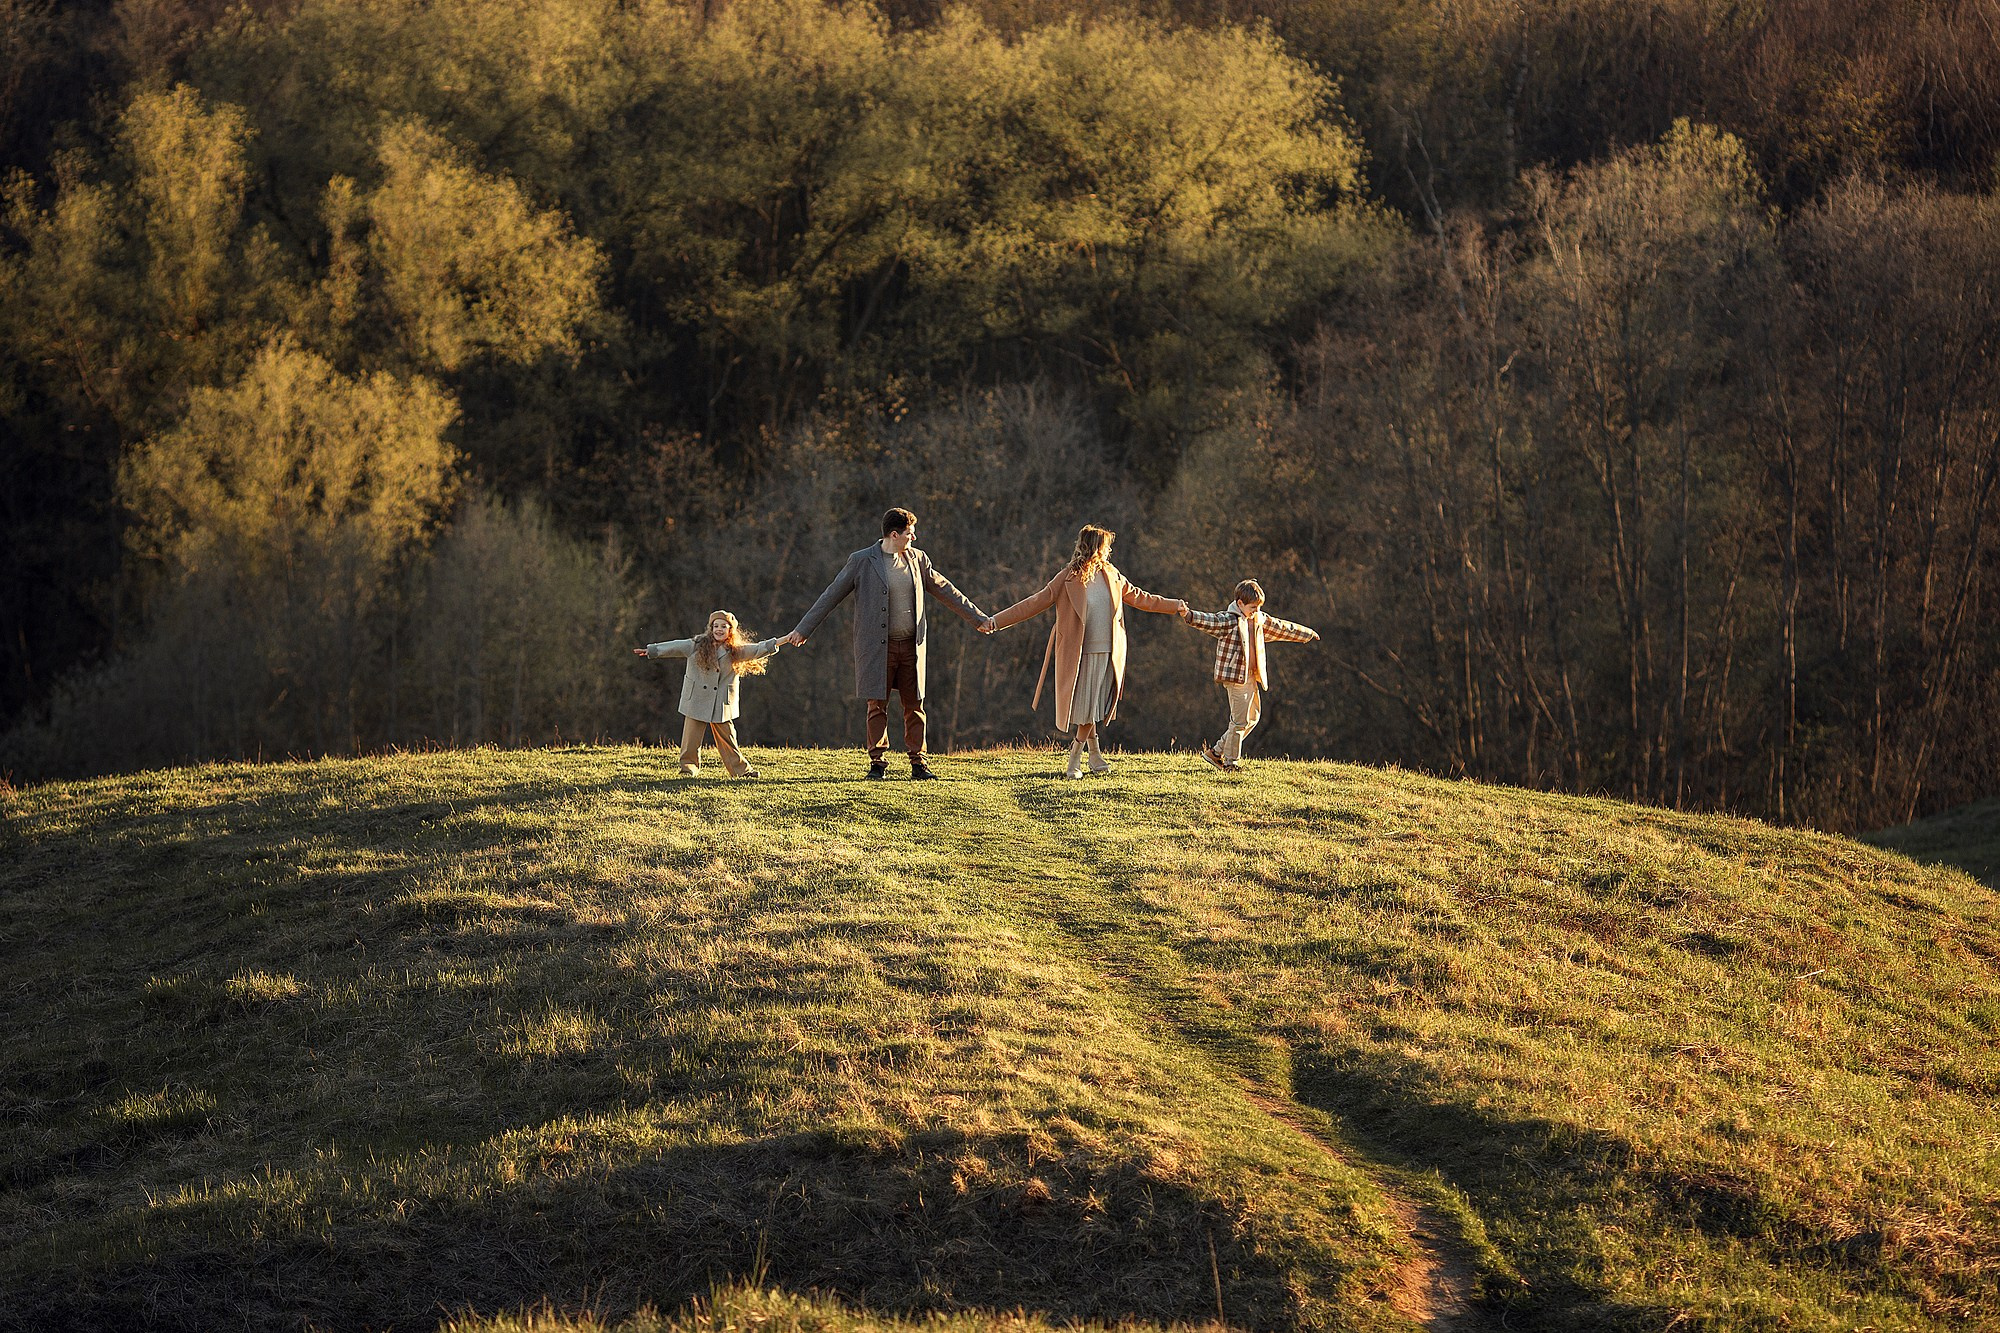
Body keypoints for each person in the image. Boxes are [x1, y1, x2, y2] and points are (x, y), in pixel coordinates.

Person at [782, 507, 988, 780]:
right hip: (878, 648)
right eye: (909, 534)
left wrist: (978, 618)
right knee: (877, 705)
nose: (913, 538)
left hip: (912, 647)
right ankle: (877, 764)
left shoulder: (918, 559)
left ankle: (919, 763)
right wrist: (803, 629)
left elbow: (946, 589)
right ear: (894, 534)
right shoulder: (862, 561)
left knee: (915, 705)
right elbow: (830, 595)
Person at [986, 525, 1187, 780]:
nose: (1109, 550)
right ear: (1095, 547)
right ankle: (1075, 758)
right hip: (1079, 654)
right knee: (1086, 708)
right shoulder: (1067, 578)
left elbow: (1141, 597)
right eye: (1106, 546)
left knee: (1091, 707)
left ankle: (1094, 755)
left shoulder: (1111, 574)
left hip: (1108, 653)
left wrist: (1174, 606)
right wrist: (996, 621)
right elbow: (1034, 602)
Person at [1180, 579, 1319, 772]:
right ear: (1240, 604)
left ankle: (1216, 752)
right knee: (1239, 722)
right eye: (1253, 607)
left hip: (1252, 677)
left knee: (1252, 717)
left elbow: (1282, 627)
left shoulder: (1259, 620)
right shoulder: (1230, 621)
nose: (1256, 611)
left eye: (1259, 607)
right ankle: (1230, 762)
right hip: (1236, 678)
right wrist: (1189, 615)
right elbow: (1210, 621)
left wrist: (1306, 633)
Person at [635, 609, 784, 778]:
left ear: (730, 630)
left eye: (723, 626)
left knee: (728, 740)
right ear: (711, 628)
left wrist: (784, 640)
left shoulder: (735, 651)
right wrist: (652, 651)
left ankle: (742, 771)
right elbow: (675, 646)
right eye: (716, 626)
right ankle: (688, 769)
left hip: (721, 702)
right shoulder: (696, 645)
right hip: (697, 698)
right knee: (691, 739)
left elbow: (758, 649)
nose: (719, 629)